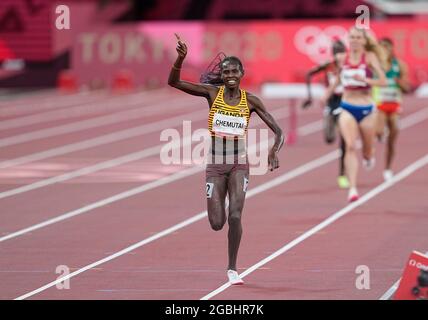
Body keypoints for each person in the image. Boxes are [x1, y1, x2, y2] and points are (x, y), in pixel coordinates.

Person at [168, 34, 284, 284]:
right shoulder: (211, 93)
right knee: (217, 223)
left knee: (235, 216)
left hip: (239, 164)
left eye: (234, 70)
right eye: (226, 71)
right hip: (215, 166)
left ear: (242, 73)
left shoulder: (250, 100)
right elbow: (174, 82)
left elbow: (279, 131)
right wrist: (180, 59)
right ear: (222, 74)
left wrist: (274, 150)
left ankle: (232, 268)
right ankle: (227, 249)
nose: (230, 74)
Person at [323, 27, 387, 202]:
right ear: (348, 40)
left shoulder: (370, 58)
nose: (355, 40)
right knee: (350, 146)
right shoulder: (342, 59)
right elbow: (337, 79)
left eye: (359, 37)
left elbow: (383, 81)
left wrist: (365, 80)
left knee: (366, 149)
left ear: (364, 41)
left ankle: (369, 155)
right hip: (347, 107)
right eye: (352, 37)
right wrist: (326, 95)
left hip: (366, 109)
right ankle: (352, 188)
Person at [302, 39, 349, 189]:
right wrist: (309, 97)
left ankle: (342, 175)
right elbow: (309, 74)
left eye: (341, 52)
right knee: (329, 139)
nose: (339, 56)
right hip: (331, 102)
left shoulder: (349, 67)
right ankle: (332, 124)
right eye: (336, 53)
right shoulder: (328, 66)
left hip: (345, 102)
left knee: (345, 141)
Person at [373, 37, 411, 181]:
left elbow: (407, 88)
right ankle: (379, 134)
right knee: (378, 130)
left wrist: (399, 82)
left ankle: (388, 168)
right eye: (381, 48)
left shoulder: (399, 65)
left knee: (393, 137)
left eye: (387, 47)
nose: (384, 50)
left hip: (394, 104)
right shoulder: (374, 65)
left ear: (391, 49)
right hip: (379, 104)